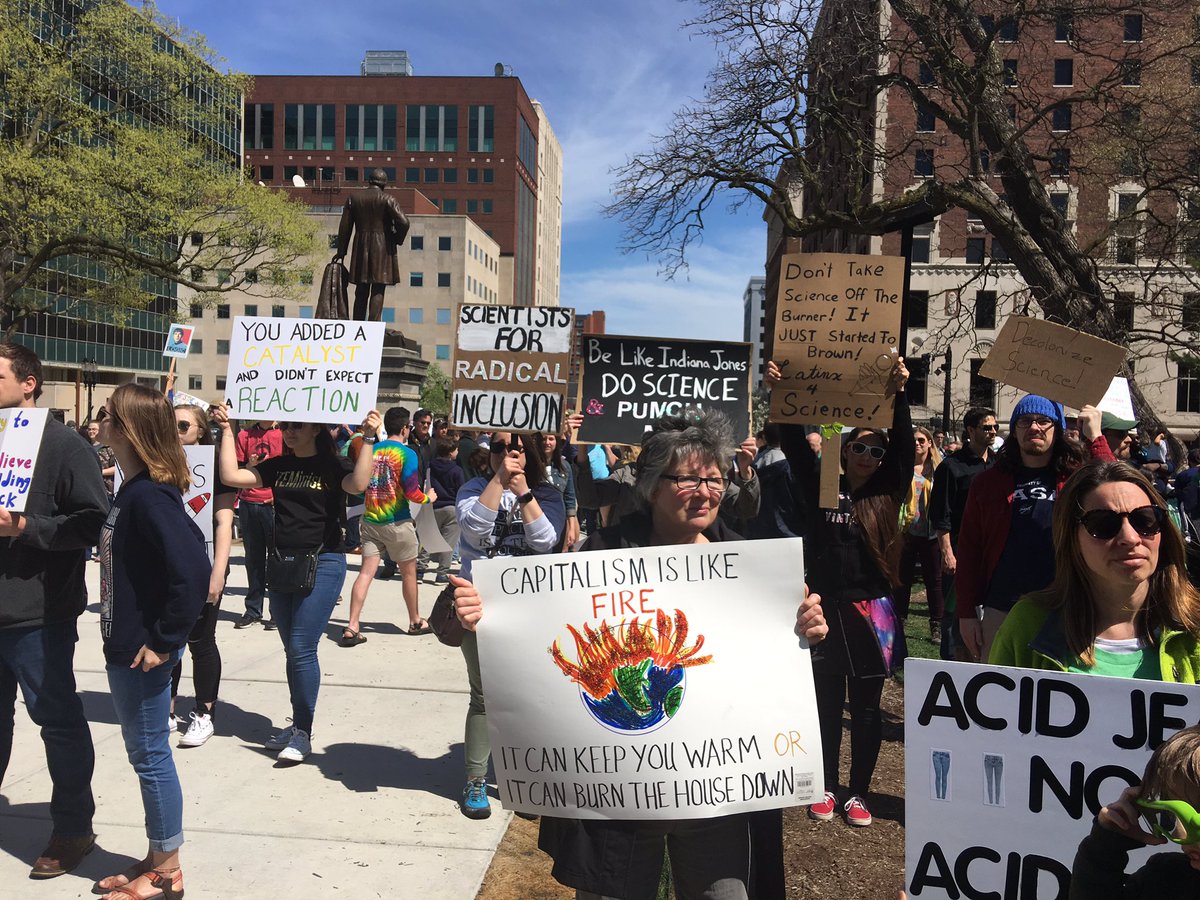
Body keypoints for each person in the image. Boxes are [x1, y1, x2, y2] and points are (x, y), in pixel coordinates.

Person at [451, 410, 829, 899]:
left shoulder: (747, 569)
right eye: (689, 478)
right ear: (652, 486)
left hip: (716, 796)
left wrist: (805, 631)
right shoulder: (597, 560)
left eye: (714, 479)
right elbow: (543, 642)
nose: (706, 491)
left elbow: (775, 673)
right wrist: (488, 615)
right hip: (618, 803)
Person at [771, 357, 913, 828]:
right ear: (844, 449)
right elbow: (794, 445)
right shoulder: (821, 486)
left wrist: (899, 395)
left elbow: (906, 450)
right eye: (859, 448)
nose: (867, 458)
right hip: (825, 611)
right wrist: (783, 392)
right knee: (828, 704)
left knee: (868, 710)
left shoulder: (889, 490)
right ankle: (827, 787)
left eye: (876, 451)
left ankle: (860, 793)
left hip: (873, 613)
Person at [90, 385, 210, 900]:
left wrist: (163, 640)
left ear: (128, 429)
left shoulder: (151, 495)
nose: (99, 422)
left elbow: (193, 570)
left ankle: (167, 873)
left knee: (151, 756)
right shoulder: (133, 490)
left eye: (107, 415)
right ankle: (156, 855)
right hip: (128, 644)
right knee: (147, 752)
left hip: (142, 651)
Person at [214, 406, 381, 762]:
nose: (288, 430)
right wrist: (228, 429)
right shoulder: (278, 465)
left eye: (296, 425)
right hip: (284, 564)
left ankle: (303, 730)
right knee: (292, 648)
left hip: (324, 561)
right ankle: (296, 724)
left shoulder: (334, 466)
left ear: (315, 429)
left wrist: (367, 437)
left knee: (303, 646)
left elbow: (360, 484)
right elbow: (230, 476)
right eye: (285, 424)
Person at [0, 342, 107, 880]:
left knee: (57, 721)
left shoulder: (64, 446)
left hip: (38, 614)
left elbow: (92, 521)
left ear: (29, 383)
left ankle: (72, 828)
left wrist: (24, 528)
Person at [990, 460, 1200, 678]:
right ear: (1072, 539)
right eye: (1104, 524)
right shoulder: (1028, 625)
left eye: (1144, 520)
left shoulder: (1194, 626)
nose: (1130, 538)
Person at [453, 431, 566, 820]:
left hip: (530, 613)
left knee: (530, 696)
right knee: (483, 696)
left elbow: (545, 542)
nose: (506, 453)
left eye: (515, 448)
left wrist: (523, 493)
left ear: (528, 453)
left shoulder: (545, 493)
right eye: (499, 447)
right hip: (478, 608)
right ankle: (475, 780)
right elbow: (473, 532)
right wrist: (498, 482)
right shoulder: (472, 488)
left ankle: (526, 781)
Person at [957, 397, 1113, 663]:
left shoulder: (1076, 478)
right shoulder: (987, 483)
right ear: (1015, 430)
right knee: (995, 692)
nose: (1034, 427)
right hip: (1002, 606)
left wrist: (1096, 436)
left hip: (1065, 606)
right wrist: (966, 613)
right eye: (1025, 421)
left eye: (1044, 421)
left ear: (1058, 429)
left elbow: (1114, 488)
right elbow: (970, 549)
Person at [170, 404, 236, 748]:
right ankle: (166, 709)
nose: (175, 430)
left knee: (200, 640)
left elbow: (224, 522)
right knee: (165, 639)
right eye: (169, 424)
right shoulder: (154, 464)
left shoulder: (214, 467)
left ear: (199, 432)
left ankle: (203, 713)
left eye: (182, 425)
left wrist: (218, 572)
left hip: (202, 564)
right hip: (163, 567)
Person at [1071, 724, 1200, 898]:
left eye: (1193, 816)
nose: (1180, 834)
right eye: (1172, 815)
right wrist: (1105, 846)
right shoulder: (1164, 878)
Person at [342, 406, 434, 644]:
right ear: (405, 428)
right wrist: (428, 498)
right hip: (397, 521)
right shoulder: (407, 453)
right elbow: (413, 492)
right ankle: (415, 621)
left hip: (371, 520)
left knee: (365, 573)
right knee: (409, 574)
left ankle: (352, 625)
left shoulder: (371, 449)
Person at [928, 407, 997, 660]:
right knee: (955, 615)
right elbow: (941, 515)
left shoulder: (998, 465)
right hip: (960, 554)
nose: (991, 432)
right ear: (970, 431)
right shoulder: (951, 468)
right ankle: (951, 665)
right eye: (985, 427)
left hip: (992, 554)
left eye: (993, 427)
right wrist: (947, 553)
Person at [334, 167, 411, 321]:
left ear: (369, 181)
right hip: (382, 247)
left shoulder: (353, 199)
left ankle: (357, 325)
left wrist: (341, 251)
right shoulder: (388, 199)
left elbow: (345, 228)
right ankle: (373, 326)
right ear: (384, 184)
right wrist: (397, 239)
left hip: (360, 246)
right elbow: (404, 222)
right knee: (378, 288)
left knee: (361, 289)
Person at [233, 419, 282, 629]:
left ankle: (277, 611)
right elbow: (235, 467)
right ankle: (253, 609)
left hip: (272, 504)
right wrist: (250, 465)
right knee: (253, 559)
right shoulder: (244, 435)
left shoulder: (283, 434)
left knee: (277, 560)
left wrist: (280, 497)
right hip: (248, 502)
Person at [897, 426, 944, 638]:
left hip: (931, 531)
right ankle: (900, 619)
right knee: (902, 578)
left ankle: (936, 624)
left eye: (922, 440)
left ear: (929, 444)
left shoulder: (938, 469)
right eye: (914, 440)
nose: (917, 444)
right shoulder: (904, 467)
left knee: (934, 580)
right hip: (906, 531)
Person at [748, 422, 803, 539]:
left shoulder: (753, 463)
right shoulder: (790, 466)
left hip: (758, 528)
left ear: (765, 437)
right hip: (788, 529)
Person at [429, 436, 464, 582]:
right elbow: (461, 489)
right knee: (448, 542)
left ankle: (420, 568)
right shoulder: (457, 470)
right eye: (456, 450)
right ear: (451, 453)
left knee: (428, 538)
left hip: (433, 505)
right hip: (451, 506)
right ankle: (442, 573)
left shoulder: (430, 466)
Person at [542, 429, 580, 551]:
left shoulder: (565, 466)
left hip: (559, 522)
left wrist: (572, 528)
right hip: (538, 522)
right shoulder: (529, 465)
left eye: (551, 439)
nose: (547, 442)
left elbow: (569, 499)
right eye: (543, 439)